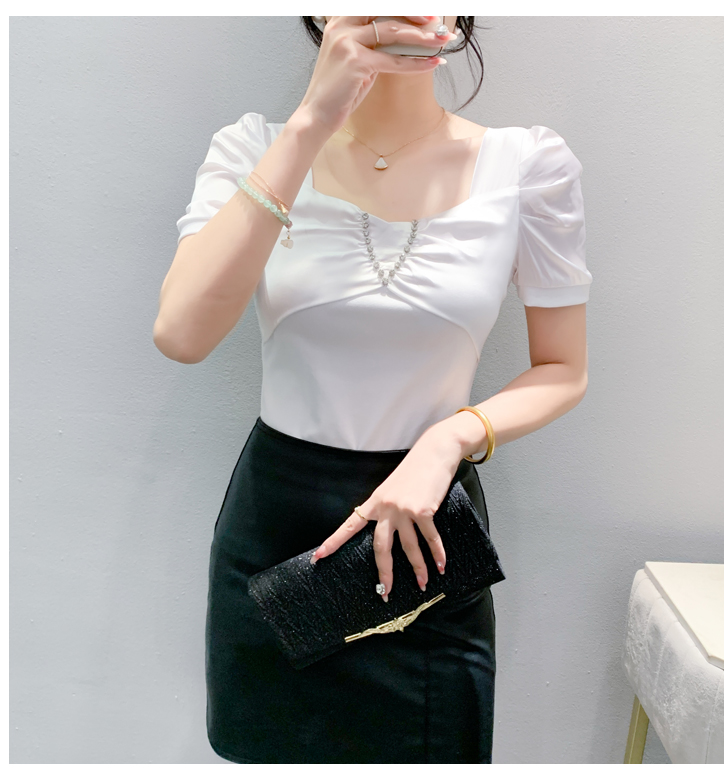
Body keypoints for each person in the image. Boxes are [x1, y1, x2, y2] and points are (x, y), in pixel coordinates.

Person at [153, 15, 593, 764]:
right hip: (277, 530)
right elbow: (182, 335)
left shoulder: (527, 165)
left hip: (427, 531)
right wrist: (310, 124)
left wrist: (450, 438)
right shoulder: (254, 148)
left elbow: (564, 368)